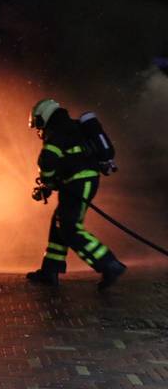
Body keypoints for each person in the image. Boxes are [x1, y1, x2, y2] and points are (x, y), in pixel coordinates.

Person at [26, 98, 127, 290]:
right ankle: (50, 271)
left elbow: (47, 162)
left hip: (79, 182)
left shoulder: (57, 133)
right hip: (79, 181)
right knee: (59, 223)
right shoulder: (70, 127)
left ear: (46, 116)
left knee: (69, 227)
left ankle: (109, 264)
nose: (38, 129)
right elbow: (66, 161)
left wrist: (47, 183)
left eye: (38, 123)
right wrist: (51, 183)